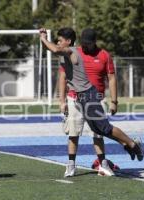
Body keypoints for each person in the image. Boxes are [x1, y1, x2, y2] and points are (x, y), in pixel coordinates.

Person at [39, 27, 144, 175]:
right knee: (97, 129)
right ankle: (128, 145)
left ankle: (133, 145)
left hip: (89, 96)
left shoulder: (72, 52)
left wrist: (44, 39)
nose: (57, 42)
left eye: (60, 40)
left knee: (104, 128)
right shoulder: (66, 53)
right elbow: (52, 49)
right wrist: (42, 38)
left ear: (68, 42)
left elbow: (55, 49)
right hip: (81, 97)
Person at [55, 27, 120, 177]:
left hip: (95, 100)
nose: (85, 46)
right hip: (74, 98)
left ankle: (103, 165)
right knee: (73, 133)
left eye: (88, 43)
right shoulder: (72, 52)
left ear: (94, 42)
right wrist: (62, 100)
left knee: (98, 134)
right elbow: (63, 77)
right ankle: (71, 165)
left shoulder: (104, 55)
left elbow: (111, 78)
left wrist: (114, 101)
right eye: (83, 43)